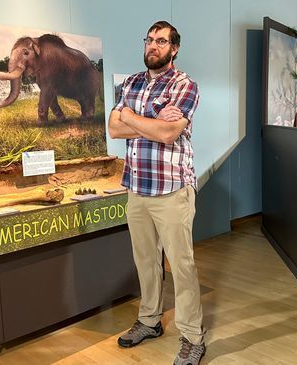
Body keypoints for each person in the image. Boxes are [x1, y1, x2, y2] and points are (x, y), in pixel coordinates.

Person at [108, 20, 206, 365]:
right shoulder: (131, 82)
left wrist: (131, 116)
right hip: (136, 187)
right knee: (146, 262)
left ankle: (193, 337)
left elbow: (167, 134)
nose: (153, 45)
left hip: (172, 190)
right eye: (149, 39)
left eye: (161, 41)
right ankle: (149, 322)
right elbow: (113, 128)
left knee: (182, 266)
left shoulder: (185, 85)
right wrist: (148, 118)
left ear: (174, 48)